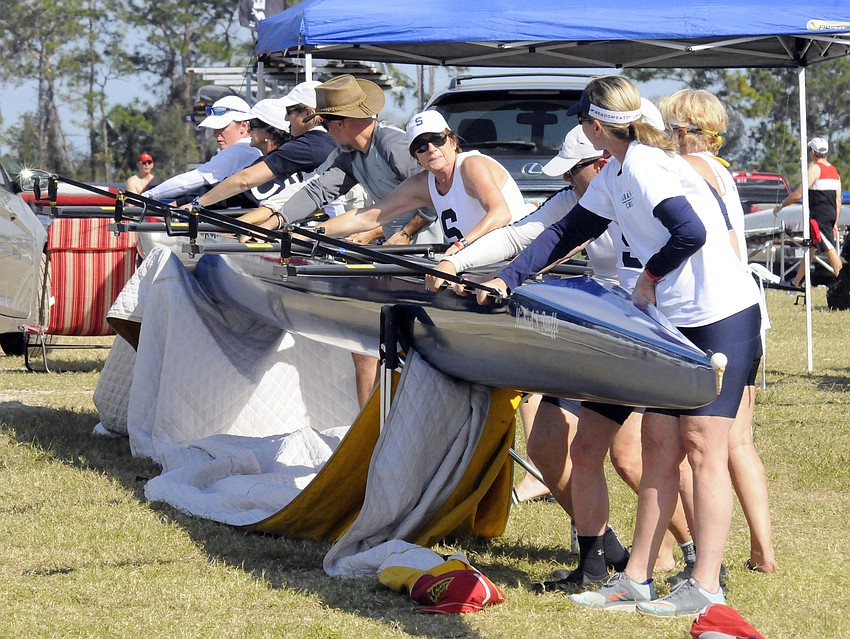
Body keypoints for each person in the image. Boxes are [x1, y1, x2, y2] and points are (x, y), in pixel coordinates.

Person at [477, 76, 761, 616]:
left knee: (703, 450)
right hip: (673, 323)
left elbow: (690, 232)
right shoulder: (618, 170)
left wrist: (650, 278)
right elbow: (565, 234)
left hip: (721, 316)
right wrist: (507, 279)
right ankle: (636, 580)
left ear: (595, 125)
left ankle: (705, 586)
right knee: (657, 446)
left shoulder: (650, 166)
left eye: (582, 120)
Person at [447, 122, 693, 591]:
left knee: (630, 458)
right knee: (546, 447)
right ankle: (604, 551)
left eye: (573, 172)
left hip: (651, 333)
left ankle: (691, 553)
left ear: (602, 162)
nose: (566, 183)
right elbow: (521, 239)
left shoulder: (645, 188)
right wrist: (457, 263)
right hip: (601, 333)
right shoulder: (578, 199)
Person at [660, 88, 778, 576]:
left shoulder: (686, 171)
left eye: (669, 128)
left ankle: (702, 559)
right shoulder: (722, 170)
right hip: (747, 309)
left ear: (684, 130)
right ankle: (763, 550)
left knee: (701, 446)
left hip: (715, 309)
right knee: (739, 442)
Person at [276, 76, 441, 406]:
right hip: (401, 259)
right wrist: (286, 226)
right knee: (368, 347)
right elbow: (318, 192)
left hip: (435, 256)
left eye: (326, 122)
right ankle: (372, 429)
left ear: (341, 124)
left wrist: (400, 233)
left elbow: (434, 198)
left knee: (392, 348)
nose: (326, 130)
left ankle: (383, 427)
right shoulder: (350, 154)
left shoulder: (393, 145)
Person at [315, 108, 530, 286]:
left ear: (453, 141)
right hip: (472, 268)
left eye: (437, 139)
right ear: (416, 157)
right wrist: (310, 234)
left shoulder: (471, 166)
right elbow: (366, 217)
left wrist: (458, 250)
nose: (431, 149)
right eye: (421, 146)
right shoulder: (423, 184)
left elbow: (501, 213)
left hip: (519, 263)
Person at [192, 82, 336, 226]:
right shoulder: (327, 142)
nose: (286, 118)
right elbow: (292, 199)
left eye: (289, 111)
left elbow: (244, 181)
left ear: (308, 113)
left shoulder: (305, 146)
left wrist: (196, 204)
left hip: (329, 235)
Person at [143, 96, 261, 203]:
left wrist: (146, 196)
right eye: (215, 128)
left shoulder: (240, 149)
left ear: (244, 126)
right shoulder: (252, 149)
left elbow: (187, 183)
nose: (216, 134)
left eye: (222, 127)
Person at [773, 136, 843, 286]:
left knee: (829, 250)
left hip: (819, 218)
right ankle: (796, 282)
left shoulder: (815, 169)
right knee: (809, 249)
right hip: (829, 215)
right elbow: (838, 199)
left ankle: (844, 281)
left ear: (812, 152)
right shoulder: (834, 171)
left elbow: (798, 194)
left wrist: (781, 205)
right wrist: (835, 221)